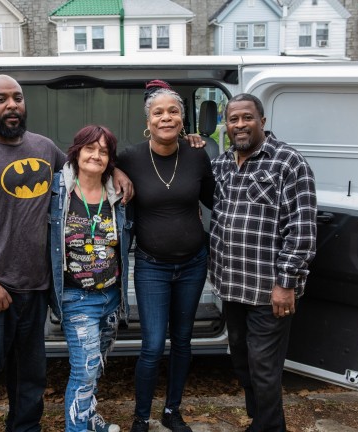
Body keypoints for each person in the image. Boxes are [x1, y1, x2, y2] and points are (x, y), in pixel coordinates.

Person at [0, 74, 133, 432]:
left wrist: (115, 168)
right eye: (0, 99)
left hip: (34, 289)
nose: (11, 105)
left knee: (29, 380)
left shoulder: (43, 148)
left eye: (17, 98)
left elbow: (83, 164)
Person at [209, 93, 317, 432]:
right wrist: (192, 140)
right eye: (233, 119)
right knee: (242, 360)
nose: (240, 125)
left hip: (269, 290)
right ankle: (263, 420)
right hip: (231, 285)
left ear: (262, 121)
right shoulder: (223, 162)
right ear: (225, 126)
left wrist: (287, 283)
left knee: (265, 367)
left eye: (247, 118)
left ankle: (268, 427)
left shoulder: (287, 162)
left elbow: (302, 228)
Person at [117, 80, 215, 432]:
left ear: (182, 119)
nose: (166, 117)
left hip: (193, 263)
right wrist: (114, 170)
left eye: (173, 111)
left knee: (184, 341)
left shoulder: (197, 154)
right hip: (151, 266)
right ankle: (141, 416)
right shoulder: (129, 157)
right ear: (148, 119)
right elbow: (91, 163)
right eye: (158, 112)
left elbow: (213, 200)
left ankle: (172, 411)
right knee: (153, 345)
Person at [49, 125, 133, 432]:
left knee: (95, 367)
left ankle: (89, 418)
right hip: (76, 298)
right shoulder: (57, 189)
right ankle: (77, 428)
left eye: (104, 150)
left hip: (110, 296)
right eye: (89, 148)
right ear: (76, 151)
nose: (96, 155)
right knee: (83, 370)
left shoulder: (118, 192)